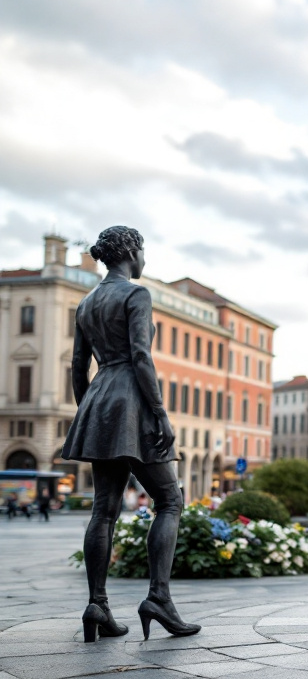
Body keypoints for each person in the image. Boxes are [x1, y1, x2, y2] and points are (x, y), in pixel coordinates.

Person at [62, 225, 200, 643]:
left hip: (100, 397)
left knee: (103, 508)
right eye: (143, 251)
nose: (145, 259)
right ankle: (158, 598)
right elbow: (141, 356)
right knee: (170, 499)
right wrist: (159, 413)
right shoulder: (136, 294)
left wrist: (89, 409)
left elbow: (76, 365)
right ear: (131, 252)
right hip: (132, 400)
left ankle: (97, 605)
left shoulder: (86, 303)